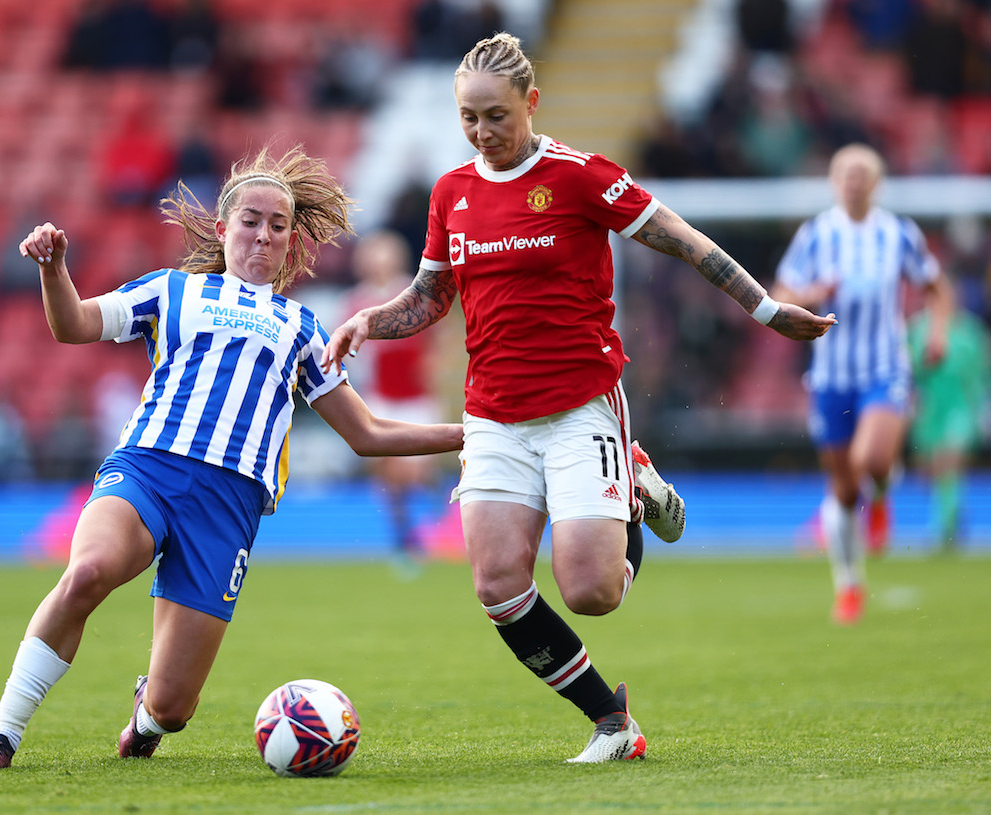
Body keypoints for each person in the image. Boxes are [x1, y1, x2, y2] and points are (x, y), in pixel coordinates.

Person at [322, 33, 835, 764]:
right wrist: (370, 320)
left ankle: (634, 482)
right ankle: (611, 720)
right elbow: (431, 296)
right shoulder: (452, 193)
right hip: (492, 415)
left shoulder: (578, 176)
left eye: (495, 116)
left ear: (531, 103)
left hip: (579, 407)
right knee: (498, 585)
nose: (481, 132)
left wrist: (765, 307)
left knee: (592, 591)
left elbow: (682, 238)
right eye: (468, 117)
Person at [0, 144, 463, 771]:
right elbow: (75, 326)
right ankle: (1, 738)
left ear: (290, 240)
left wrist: (469, 434)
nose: (263, 234)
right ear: (223, 229)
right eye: (251, 220)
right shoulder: (172, 292)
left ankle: (144, 716)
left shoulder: (302, 328)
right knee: (86, 573)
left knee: (174, 708)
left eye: (278, 226)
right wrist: (55, 270)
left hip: (229, 505)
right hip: (148, 469)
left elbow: (368, 434)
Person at [772, 143, 953, 624]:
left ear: (875, 183)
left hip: (883, 369)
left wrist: (937, 333)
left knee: (870, 458)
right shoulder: (817, 234)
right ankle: (849, 585)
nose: (853, 182)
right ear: (834, 182)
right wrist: (812, 294)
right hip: (831, 377)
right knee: (844, 490)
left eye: (861, 174)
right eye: (845, 174)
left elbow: (936, 288)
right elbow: (781, 293)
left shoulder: (897, 233)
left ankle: (882, 488)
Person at [344, 230, 444, 571]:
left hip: (415, 397)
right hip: (381, 398)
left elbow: (434, 342)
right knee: (389, 475)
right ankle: (404, 539)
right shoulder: (357, 302)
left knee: (413, 472)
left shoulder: (412, 294)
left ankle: (435, 507)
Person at [906, 303, 988, 552]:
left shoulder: (970, 331)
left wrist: (983, 407)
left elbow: (982, 373)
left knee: (948, 460)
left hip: (961, 406)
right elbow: (908, 369)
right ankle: (950, 514)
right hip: (930, 409)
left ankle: (946, 528)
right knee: (928, 471)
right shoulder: (917, 329)